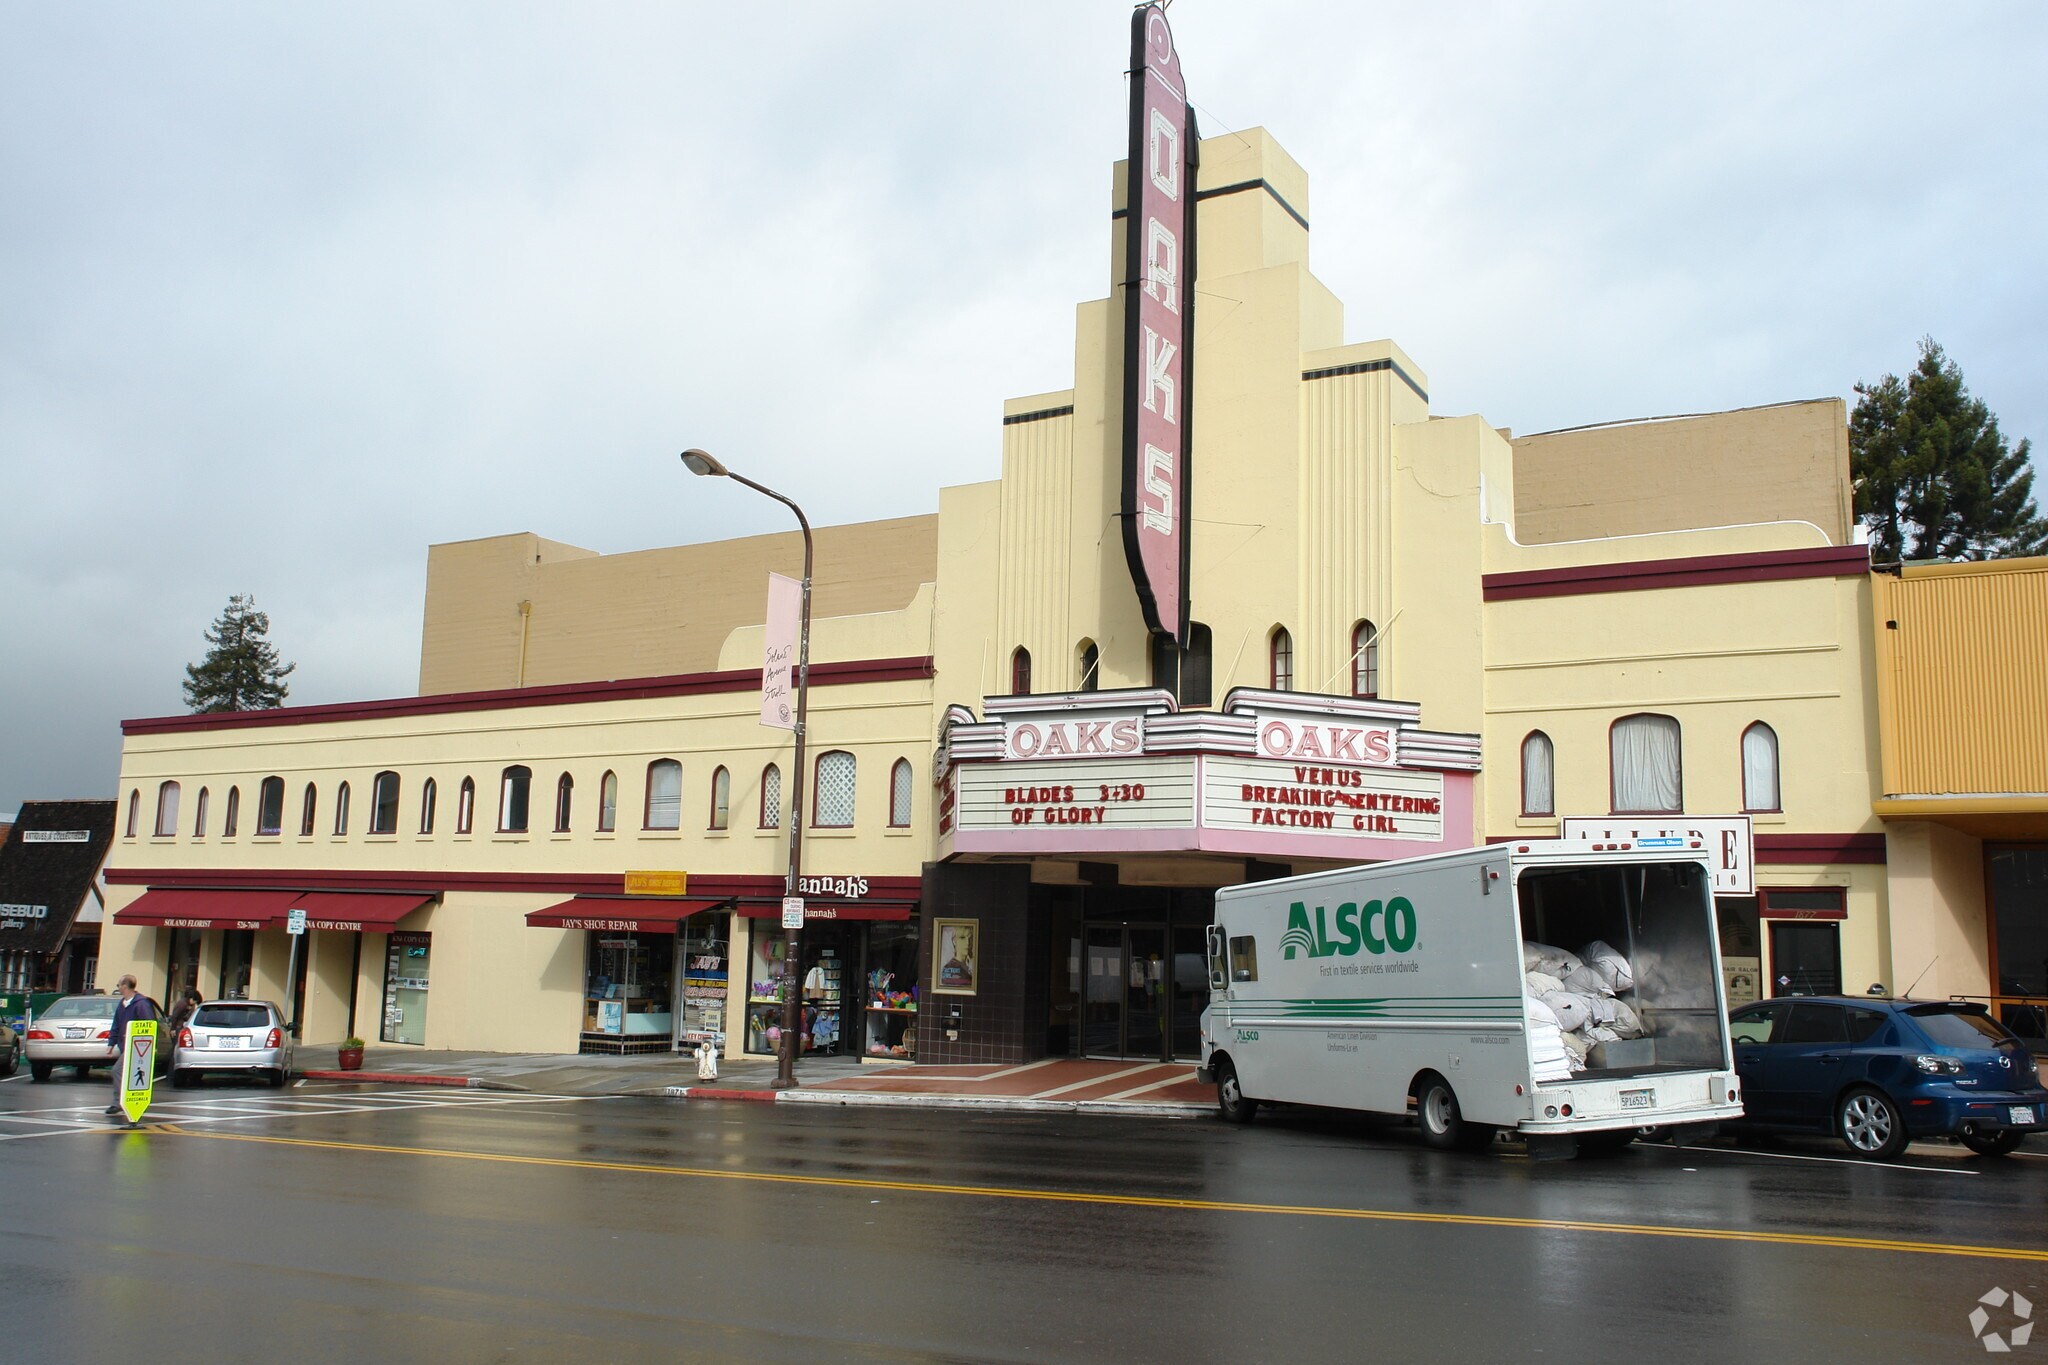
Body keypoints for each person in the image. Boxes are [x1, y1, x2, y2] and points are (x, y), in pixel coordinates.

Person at [104, 975, 159, 1117]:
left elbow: (149, 1025)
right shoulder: (123, 1004)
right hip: (126, 1045)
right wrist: (111, 1043)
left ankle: (120, 1103)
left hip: (136, 1047)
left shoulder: (141, 1004)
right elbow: (116, 1024)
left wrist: (151, 1045)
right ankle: (128, 1102)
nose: (118, 988)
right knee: (128, 1074)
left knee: (117, 1070)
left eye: (118, 985)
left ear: (124, 986)